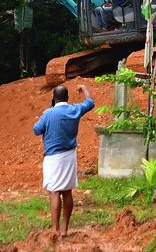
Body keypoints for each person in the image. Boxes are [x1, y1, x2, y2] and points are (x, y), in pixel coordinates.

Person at [32, 83, 94, 240]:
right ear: (67, 98)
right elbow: (90, 103)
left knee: (54, 192)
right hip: (69, 156)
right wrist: (84, 89)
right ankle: (65, 229)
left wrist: (48, 112)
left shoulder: (48, 113)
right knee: (67, 191)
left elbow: (36, 130)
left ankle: (55, 230)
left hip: (53, 158)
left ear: (53, 99)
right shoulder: (75, 109)